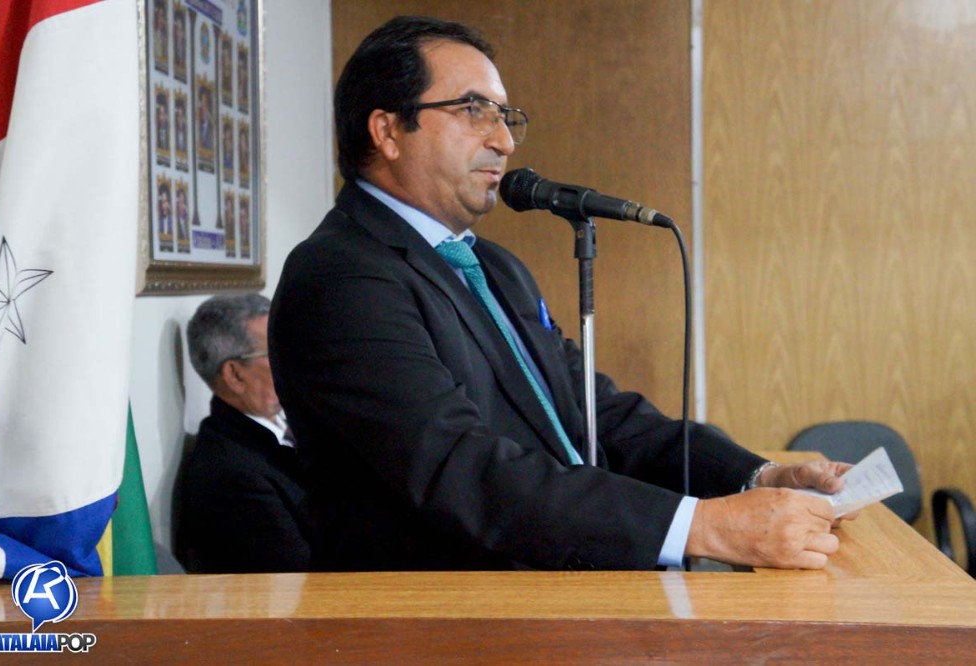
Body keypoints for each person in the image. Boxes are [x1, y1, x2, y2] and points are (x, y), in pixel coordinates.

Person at [270, 15, 851, 572]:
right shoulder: (340, 277)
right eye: (474, 111)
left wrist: (757, 477)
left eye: (505, 117)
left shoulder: (493, 266)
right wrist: (705, 527)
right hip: (451, 610)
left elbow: (597, 412)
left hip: (564, 580)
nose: (504, 141)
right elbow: (459, 467)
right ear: (388, 131)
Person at [178, 293, 313, 573]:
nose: (293, 361)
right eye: (275, 352)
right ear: (235, 375)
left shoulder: (292, 422)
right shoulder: (233, 474)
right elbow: (301, 576)